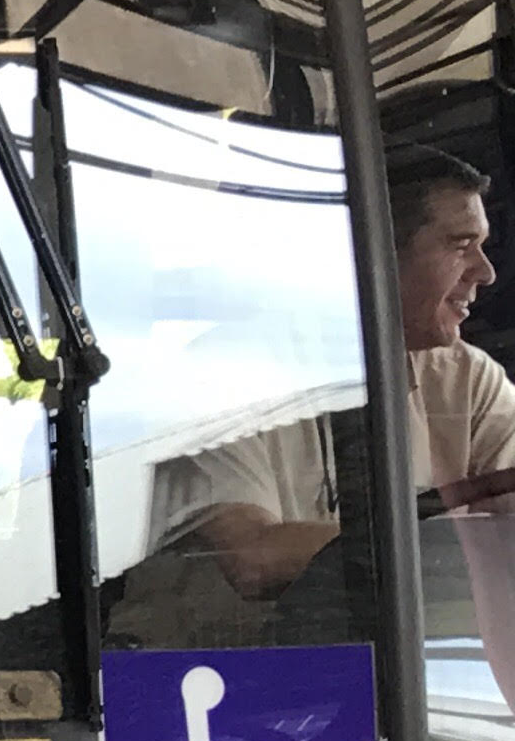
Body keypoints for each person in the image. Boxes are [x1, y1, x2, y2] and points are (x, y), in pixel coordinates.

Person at [171, 148, 515, 597]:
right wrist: (455, 537)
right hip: (223, 660)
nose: (485, 273)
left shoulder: (467, 379)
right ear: (374, 250)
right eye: (461, 246)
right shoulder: (220, 372)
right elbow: (253, 558)